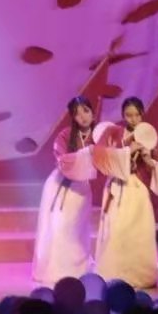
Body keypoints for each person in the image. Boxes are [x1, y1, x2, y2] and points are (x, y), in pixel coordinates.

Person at [92, 97, 158, 288]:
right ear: (123, 115)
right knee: (117, 230)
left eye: (137, 115)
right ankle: (114, 274)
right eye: (129, 115)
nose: (133, 119)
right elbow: (99, 153)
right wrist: (127, 149)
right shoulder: (113, 131)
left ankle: (140, 274)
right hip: (118, 187)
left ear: (142, 114)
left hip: (138, 189)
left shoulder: (148, 135)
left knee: (139, 232)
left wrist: (149, 161)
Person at [31, 96, 98, 285]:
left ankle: (77, 268)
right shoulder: (65, 135)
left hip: (82, 189)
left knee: (76, 229)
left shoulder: (100, 135)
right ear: (72, 117)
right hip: (60, 186)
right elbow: (62, 159)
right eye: (77, 114)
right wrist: (85, 155)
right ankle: (55, 270)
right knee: (58, 226)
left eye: (86, 111)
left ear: (92, 112)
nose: (83, 117)